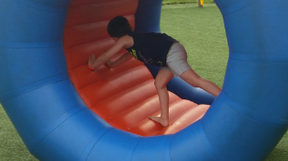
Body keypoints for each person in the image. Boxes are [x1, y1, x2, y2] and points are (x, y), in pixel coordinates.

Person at [88, 15, 221, 127]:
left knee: (195, 81)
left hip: (171, 53)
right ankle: (164, 118)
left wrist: (93, 66)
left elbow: (106, 55)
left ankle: (223, 97)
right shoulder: (132, 42)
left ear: (114, 38)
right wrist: (113, 65)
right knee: (159, 83)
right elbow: (127, 56)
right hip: (168, 56)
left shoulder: (125, 39)